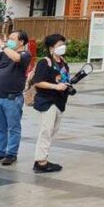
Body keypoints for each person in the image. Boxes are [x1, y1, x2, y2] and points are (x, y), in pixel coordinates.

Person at [0, 30, 31, 166]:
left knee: (13, 127)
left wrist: (3, 46)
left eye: (12, 38)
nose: (9, 40)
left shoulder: (25, 54)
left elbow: (16, 58)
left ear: (21, 42)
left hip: (12, 99)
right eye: (8, 38)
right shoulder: (4, 54)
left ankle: (11, 154)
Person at [30, 34, 72, 173]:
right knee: (46, 131)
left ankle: (43, 158)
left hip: (59, 102)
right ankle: (40, 162)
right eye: (59, 45)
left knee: (51, 131)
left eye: (63, 44)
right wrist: (55, 87)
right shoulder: (45, 62)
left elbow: (63, 80)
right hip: (47, 102)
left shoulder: (63, 63)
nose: (62, 47)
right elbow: (37, 81)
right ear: (51, 48)